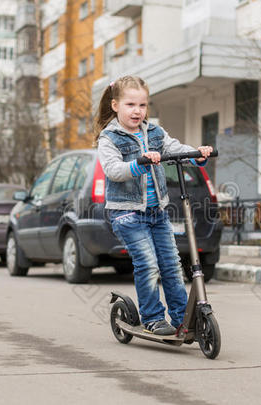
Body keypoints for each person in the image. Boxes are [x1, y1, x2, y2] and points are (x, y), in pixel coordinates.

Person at [95, 76, 212, 335]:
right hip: (126, 213)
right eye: (130, 104)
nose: (137, 111)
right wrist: (141, 162)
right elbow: (114, 170)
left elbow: (176, 148)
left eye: (142, 105)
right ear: (115, 105)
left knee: (171, 264)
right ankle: (152, 318)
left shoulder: (155, 133)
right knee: (148, 264)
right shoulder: (110, 138)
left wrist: (197, 154)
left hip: (156, 212)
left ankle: (182, 318)